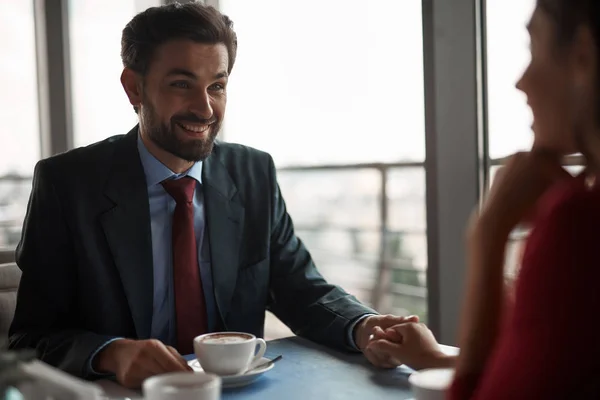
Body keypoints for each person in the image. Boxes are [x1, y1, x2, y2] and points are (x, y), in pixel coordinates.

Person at [8, 2, 447, 389]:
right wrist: (112, 353)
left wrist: (366, 326)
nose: (205, 108)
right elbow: (32, 336)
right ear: (135, 88)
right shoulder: (68, 184)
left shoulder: (253, 172)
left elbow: (300, 288)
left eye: (217, 85)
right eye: (182, 84)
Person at [450, 0, 600, 397]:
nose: (522, 82)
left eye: (535, 49)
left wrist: (489, 234)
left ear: (583, 55)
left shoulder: (578, 223)